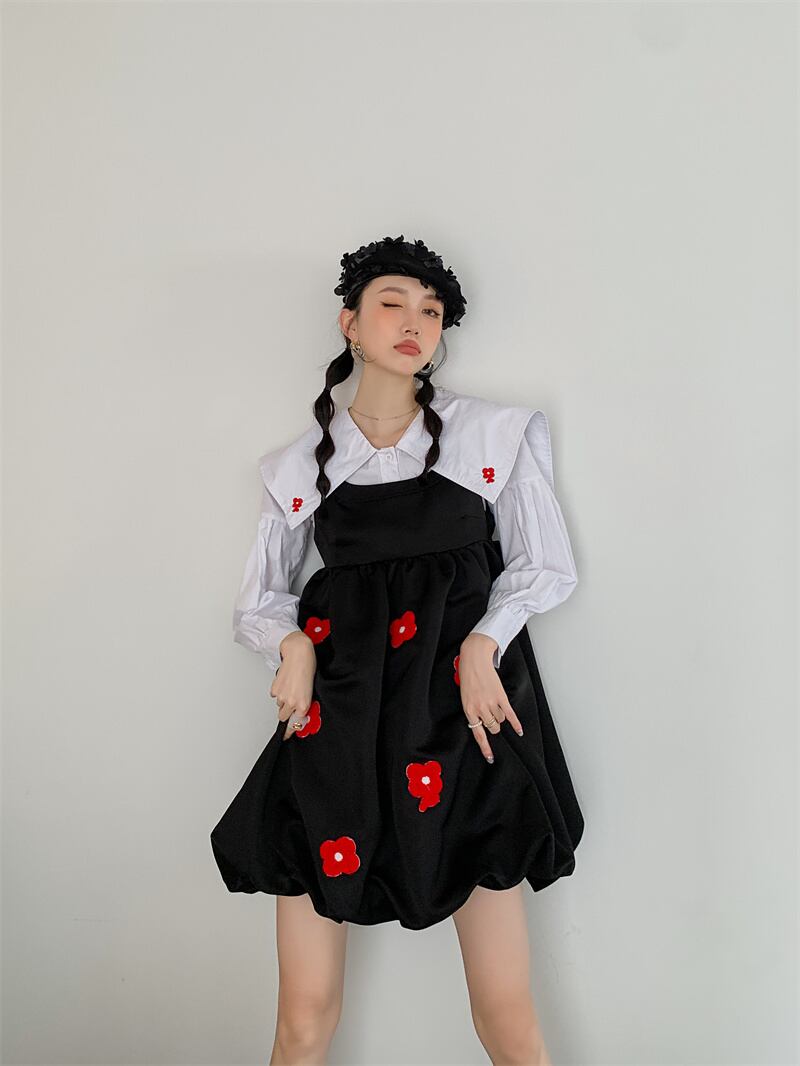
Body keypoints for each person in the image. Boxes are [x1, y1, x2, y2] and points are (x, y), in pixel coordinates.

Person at [210, 234, 584, 1065]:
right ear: (349, 322)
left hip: (464, 723)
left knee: (506, 1012)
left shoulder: (492, 435)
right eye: (393, 304)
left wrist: (484, 642)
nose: (415, 322)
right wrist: (291, 646)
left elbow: (544, 565)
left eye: (432, 311)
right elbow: (258, 599)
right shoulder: (298, 466)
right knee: (303, 1015)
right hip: (338, 723)